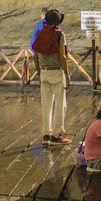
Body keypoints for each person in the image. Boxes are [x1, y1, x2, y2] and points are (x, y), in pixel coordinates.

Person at [33, 9, 71, 145]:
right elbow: (62, 56)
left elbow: (35, 56)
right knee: (60, 104)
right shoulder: (60, 35)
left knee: (46, 104)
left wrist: (38, 72)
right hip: (56, 72)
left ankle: (46, 134)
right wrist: (67, 75)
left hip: (44, 72)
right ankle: (56, 135)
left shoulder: (39, 33)